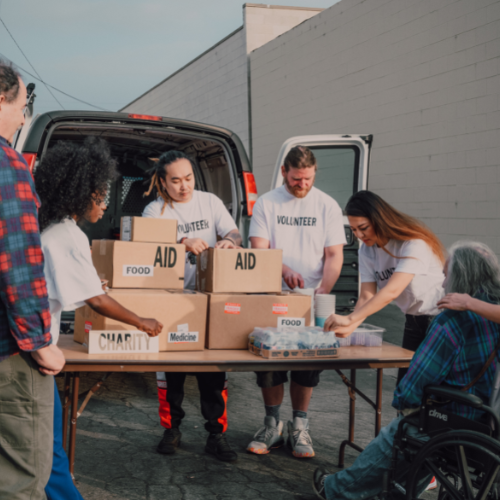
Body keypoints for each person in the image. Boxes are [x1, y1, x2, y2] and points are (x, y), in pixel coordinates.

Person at [313, 240, 500, 500]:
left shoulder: (451, 322)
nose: (444, 284)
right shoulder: (494, 317)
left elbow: (418, 380)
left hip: (457, 417)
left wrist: (404, 403)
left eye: (447, 276)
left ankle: (337, 490)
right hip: (489, 419)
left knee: (404, 425)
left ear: (461, 278)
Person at [34, 137, 163, 500]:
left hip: (29, 344)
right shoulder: (68, 234)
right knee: (50, 449)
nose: (105, 204)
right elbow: (97, 300)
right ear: (82, 193)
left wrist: (93, 286)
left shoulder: (50, 227)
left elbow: (70, 286)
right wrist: (142, 321)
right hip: (32, 352)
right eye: (102, 195)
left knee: (48, 439)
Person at [143, 150, 242, 462]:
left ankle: (216, 434)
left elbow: (234, 231)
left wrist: (230, 241)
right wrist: (182, 241)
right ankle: (171, 429)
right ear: (162, 181)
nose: (184, 186)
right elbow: (144, 247)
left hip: (211, 299)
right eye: (176, 180)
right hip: (170, 300)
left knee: (213, 371)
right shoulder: (154, 211)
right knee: (172, 372)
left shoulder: (210, 201)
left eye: (188, 178)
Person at [247, 145, 346, 458]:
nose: (301, 185)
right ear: (284, 173)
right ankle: (272, 424)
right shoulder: (267, 203)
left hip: (313, 296)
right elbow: (259, 249)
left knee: (307, 363)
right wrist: (284, 269)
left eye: (307, 179)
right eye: (295, 179)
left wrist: (323, 290)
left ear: (314, 173)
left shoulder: (327, 205)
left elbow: (333, 254)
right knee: (271, 363)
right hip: (273, 294)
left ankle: (299, 426)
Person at [0, 61, 65, 499]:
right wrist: (41, 343)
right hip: (8, 354)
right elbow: (17, 263)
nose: (24, 117)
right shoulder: (7, 165)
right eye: (22, 105)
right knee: (22, 481)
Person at [325, 190, 446, 383]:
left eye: (363, 227)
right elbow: (366, 296)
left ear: (379, 219)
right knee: (406, 387)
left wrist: (349, 319)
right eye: (354, 230)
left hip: (440, 320)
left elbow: (392, 291)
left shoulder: (413, 243)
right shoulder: (367, 250)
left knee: (428, 388)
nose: (359, 235)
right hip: (413, 320)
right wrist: (350, 327)